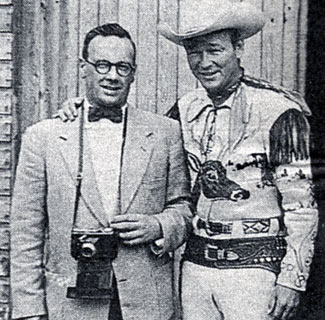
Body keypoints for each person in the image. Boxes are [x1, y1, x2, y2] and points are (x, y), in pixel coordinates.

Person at [58, 2, 318, 320]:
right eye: (194, 52)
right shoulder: (185, 108)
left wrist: (292, 280)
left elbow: (301, 206)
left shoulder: (279, 111)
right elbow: (138, 134)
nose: (204, 63)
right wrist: (80, 110)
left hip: (256, 271)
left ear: (238, 48)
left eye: (214, 50)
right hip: (195, 270)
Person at [10, 23, 192, 320]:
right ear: (84, 68)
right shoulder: (42, 138)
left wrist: (159, 226)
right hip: (70, 305)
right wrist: (29, 310)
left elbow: (184, 207)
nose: (112, 76)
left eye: (122, 67)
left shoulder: (165, 133)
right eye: (102, 65)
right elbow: (25, 233)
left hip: (146, 305)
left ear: (133, 74)